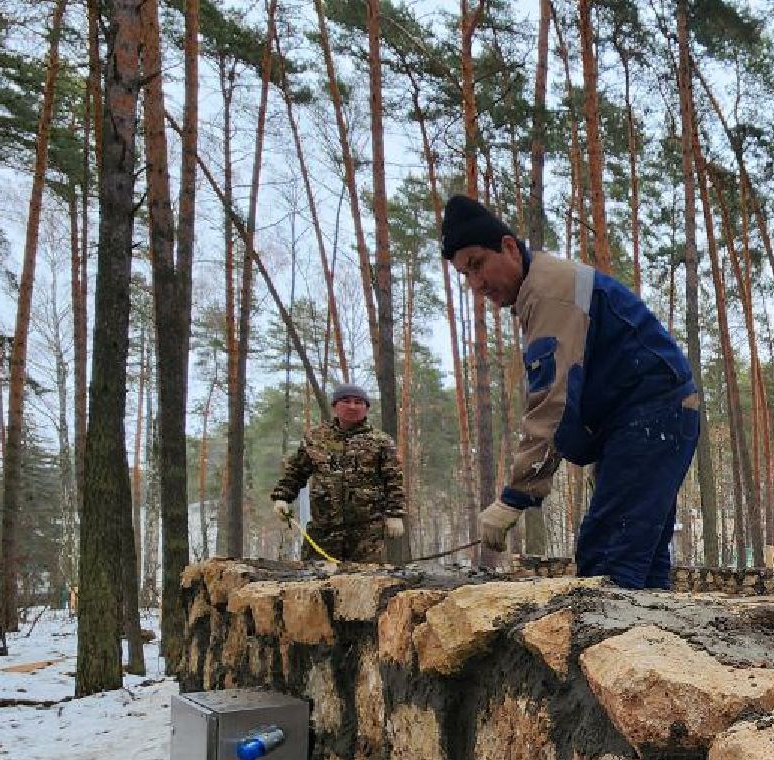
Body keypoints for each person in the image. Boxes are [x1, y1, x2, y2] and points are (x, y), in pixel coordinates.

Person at [440, 193, 700, 589]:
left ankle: (617, 648)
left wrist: (516, 494)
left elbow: (552, 403)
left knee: (608, 563)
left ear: (508, 247)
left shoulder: (550, 291)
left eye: (478, 265)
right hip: (651, 419)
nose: (477, 284)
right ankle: (652, 645)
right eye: (465, 275)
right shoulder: (541, 289)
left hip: (653, 417)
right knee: (640, 564)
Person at [269, 384, 406, 563]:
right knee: (316, 581)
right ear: (335, 406)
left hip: (366, 532)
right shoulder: (316, 438)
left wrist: (395, 514)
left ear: (366, 408)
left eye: (358, 402)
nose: (352, 406)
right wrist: (282, 498)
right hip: (323, 529)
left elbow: (394, 479)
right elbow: (296, 471)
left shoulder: (381, 441)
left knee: (364, 582)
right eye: (346, 401)